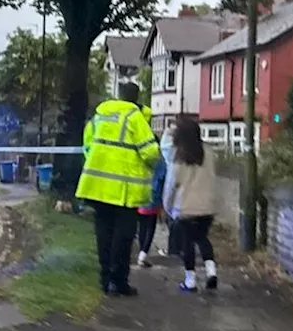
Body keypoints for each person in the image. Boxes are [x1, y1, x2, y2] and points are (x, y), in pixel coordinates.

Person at [77, 82, 161, 296]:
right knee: (123, 239)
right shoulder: (134, 117)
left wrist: (100, 164)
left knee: (103, 235)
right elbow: (150, 153)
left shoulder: (100, 116)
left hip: (97, 187)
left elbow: (87, 145)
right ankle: (118, 281)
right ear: (136, 98)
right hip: (124, 191)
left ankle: (105, 280)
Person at [162, 117, 221, 292]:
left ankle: (190, 281)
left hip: (185, 207)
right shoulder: (209, 152)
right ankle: (211, 272)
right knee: (202, 238)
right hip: (207, 206)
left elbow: (172, 183)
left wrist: (167, 206)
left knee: (187, 244)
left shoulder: (179, 155)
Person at [136, 121, 172, 268]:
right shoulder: (160, 161)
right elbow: (164, 179)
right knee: (150, 227)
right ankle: (143, 254)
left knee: (141, 226)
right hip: (153, 198)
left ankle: (140, 251)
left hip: (138, 196)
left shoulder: (139, 156)